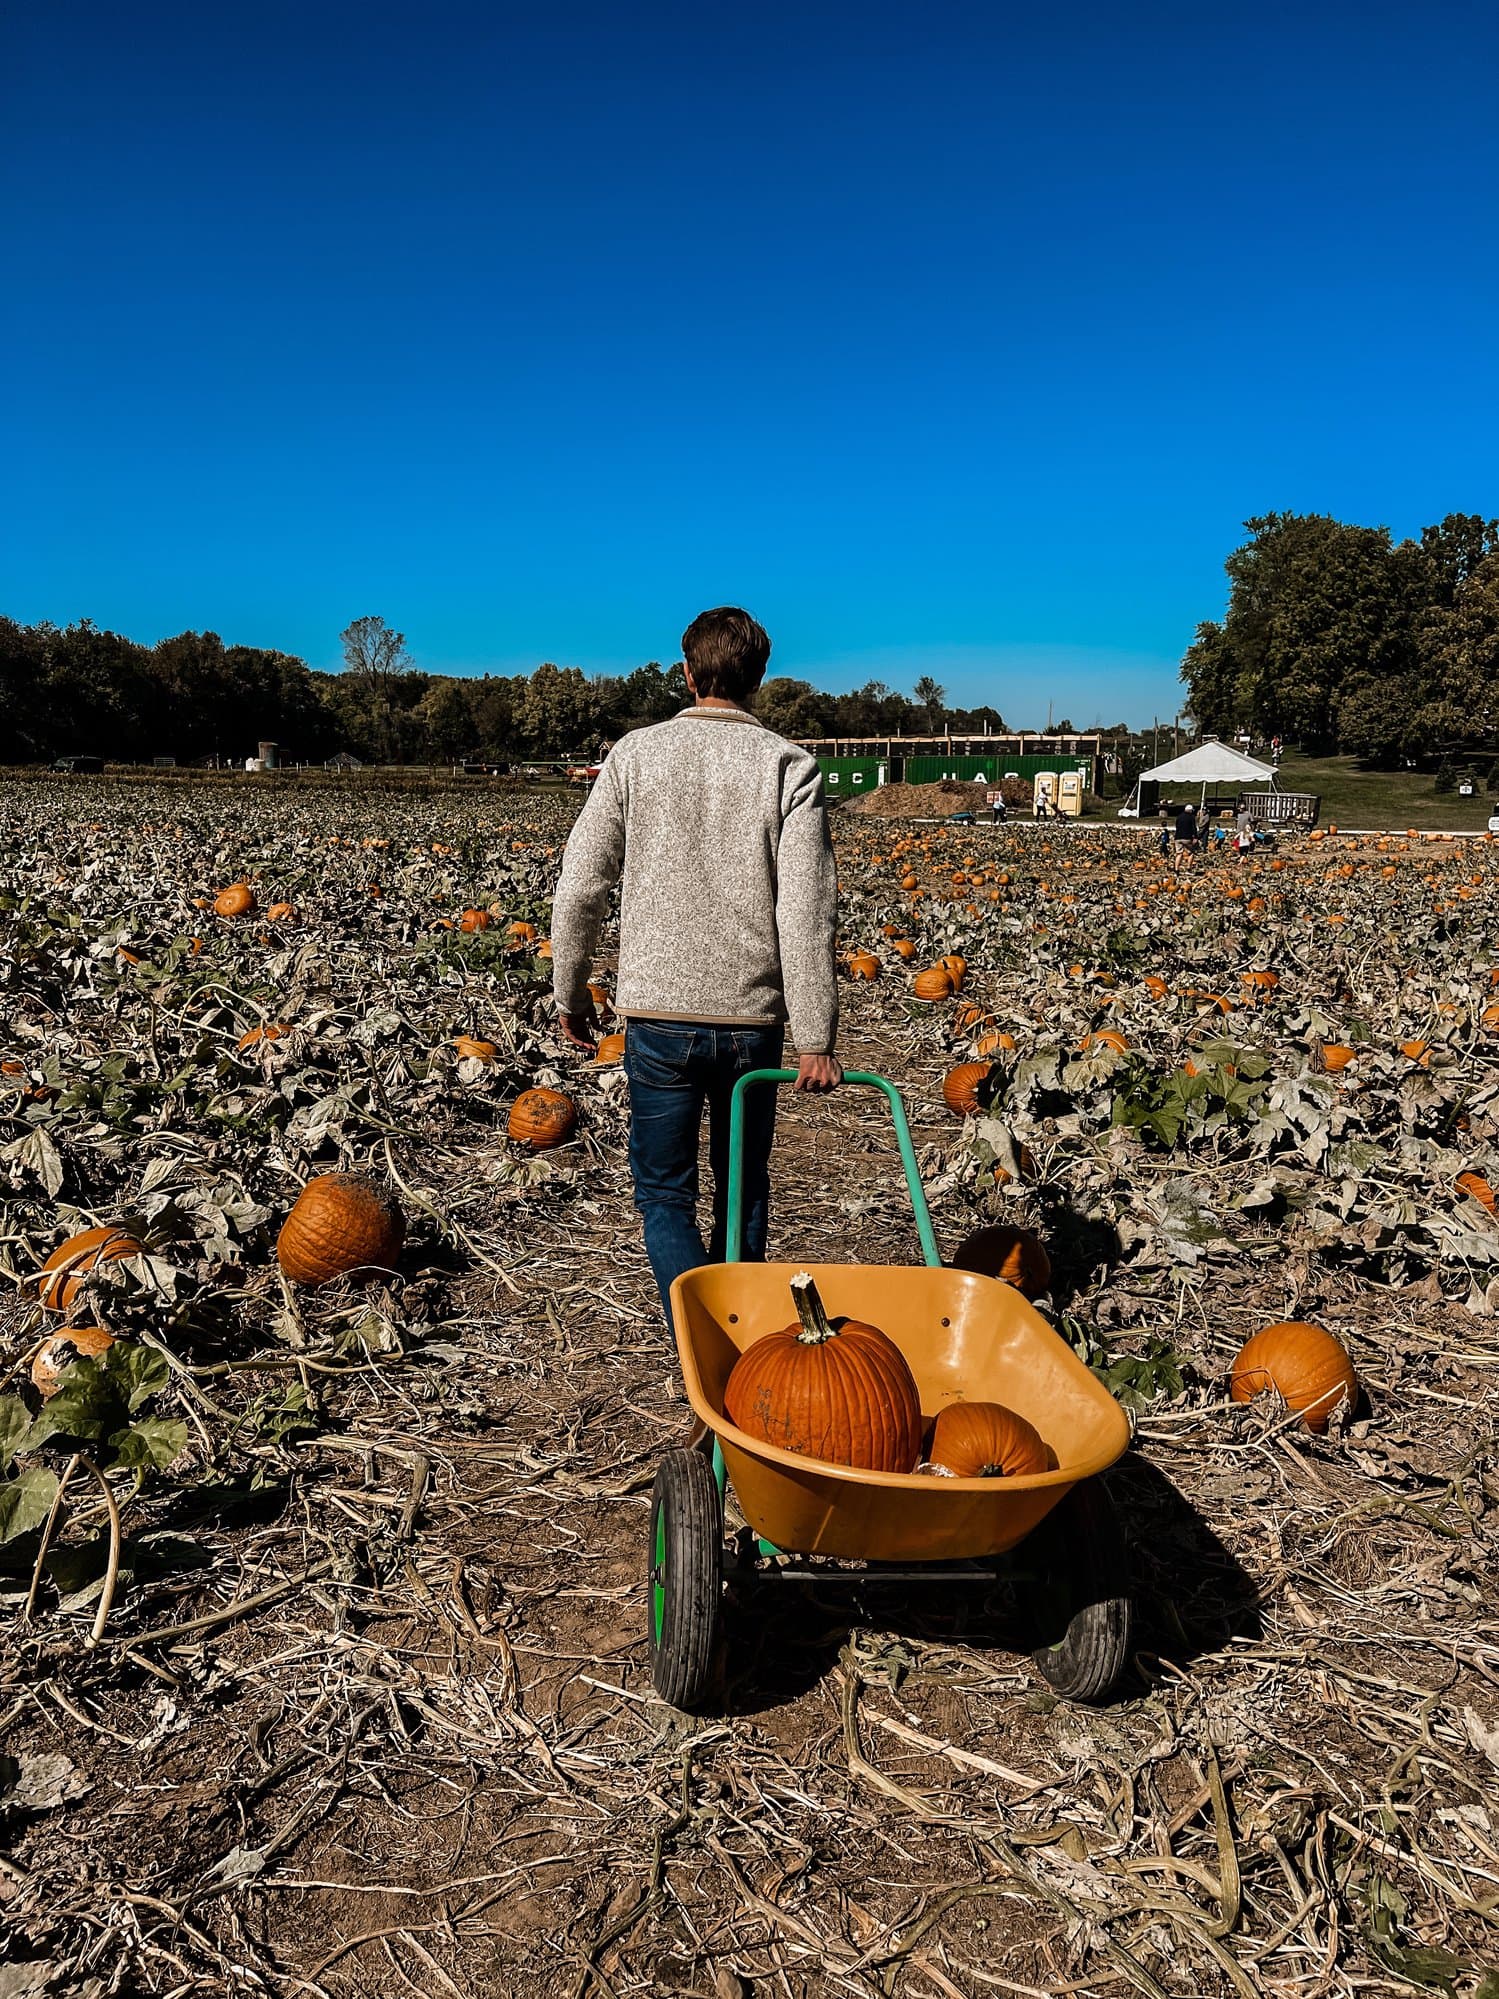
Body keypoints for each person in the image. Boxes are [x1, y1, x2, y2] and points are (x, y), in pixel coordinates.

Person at [551, 607, 841, 1330]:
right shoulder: (788, 763)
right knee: (741, 1187)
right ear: (760, 677)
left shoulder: (634, 756)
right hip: (751, 1023)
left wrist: (569, 990)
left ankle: (706, 1343)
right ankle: (736, 1334)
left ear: (685, 671)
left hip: (657, 1016)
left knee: (663, 1194)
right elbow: (806, 909)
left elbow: (581, 883)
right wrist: (816, 1034)